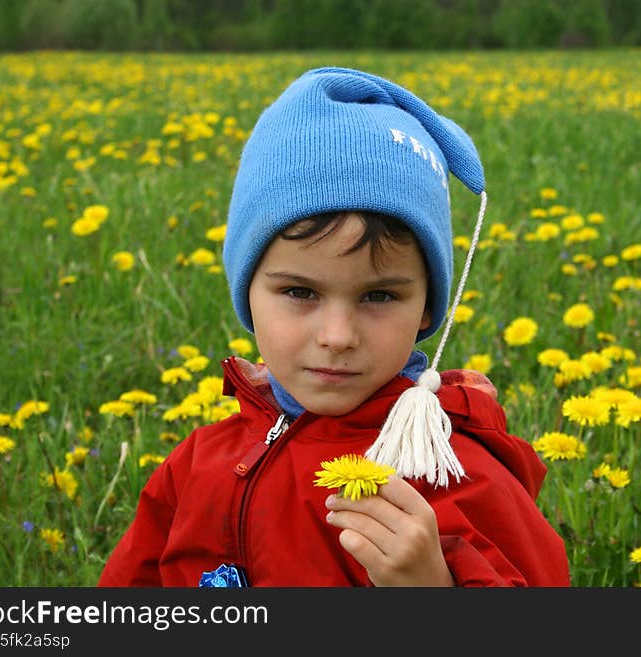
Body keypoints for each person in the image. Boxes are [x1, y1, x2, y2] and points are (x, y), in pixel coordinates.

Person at [98, 67, 570, 587]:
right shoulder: (198, 464)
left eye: (379, 296)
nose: (338, 335)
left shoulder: (453, 472)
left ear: (429, 310)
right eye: (300, 292)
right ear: (247, 296)